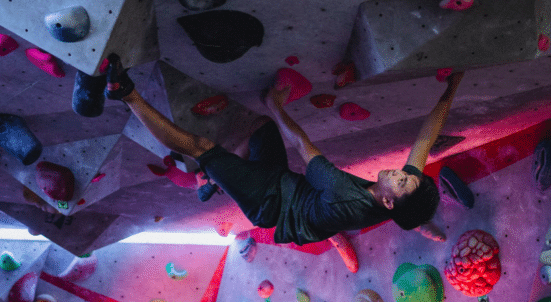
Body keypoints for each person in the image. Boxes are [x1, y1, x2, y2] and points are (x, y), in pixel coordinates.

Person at [103, 54, 464, 246]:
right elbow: (425, 140)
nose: (401, 173)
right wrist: (452, 89)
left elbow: (304, 146)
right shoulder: (401, 201)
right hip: (285, 186)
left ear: (388, 203)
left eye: (400, 182)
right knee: (261, 130)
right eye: (407, 177)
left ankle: (125, 92)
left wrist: (277, 102)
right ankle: (215, 177)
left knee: (202, 146)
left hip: (270, 202)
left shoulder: (341, 195)